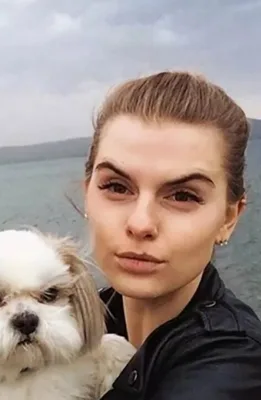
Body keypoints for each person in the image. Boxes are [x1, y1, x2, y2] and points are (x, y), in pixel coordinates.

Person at [81, 71, 261, 399]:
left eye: (182, 195)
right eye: (117, 187)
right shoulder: (76, 317)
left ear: (229, 217)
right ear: (87, 193)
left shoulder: (233, 365)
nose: (141, 223)